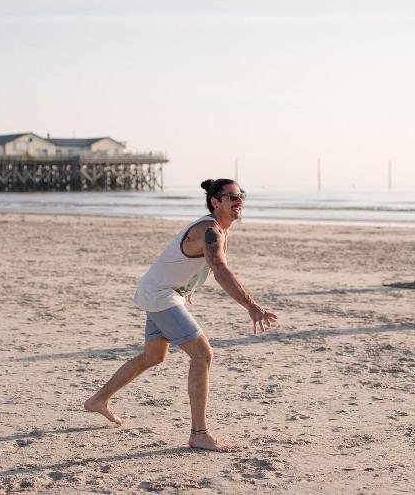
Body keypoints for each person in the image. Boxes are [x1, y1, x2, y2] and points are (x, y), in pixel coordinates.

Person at [84, 178, 278, 451]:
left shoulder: (219, 229)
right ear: (215, 201)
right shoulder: (209, 230)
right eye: (232, 196)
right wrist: (251, 306)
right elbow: (219, 269)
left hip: (162, 291)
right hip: (160, 295)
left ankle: (97, 401)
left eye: (241, 196)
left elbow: (194, 263)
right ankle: (199, 433)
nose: (239, 201)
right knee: (202, 354)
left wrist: (188, 287)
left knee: (153, 357)